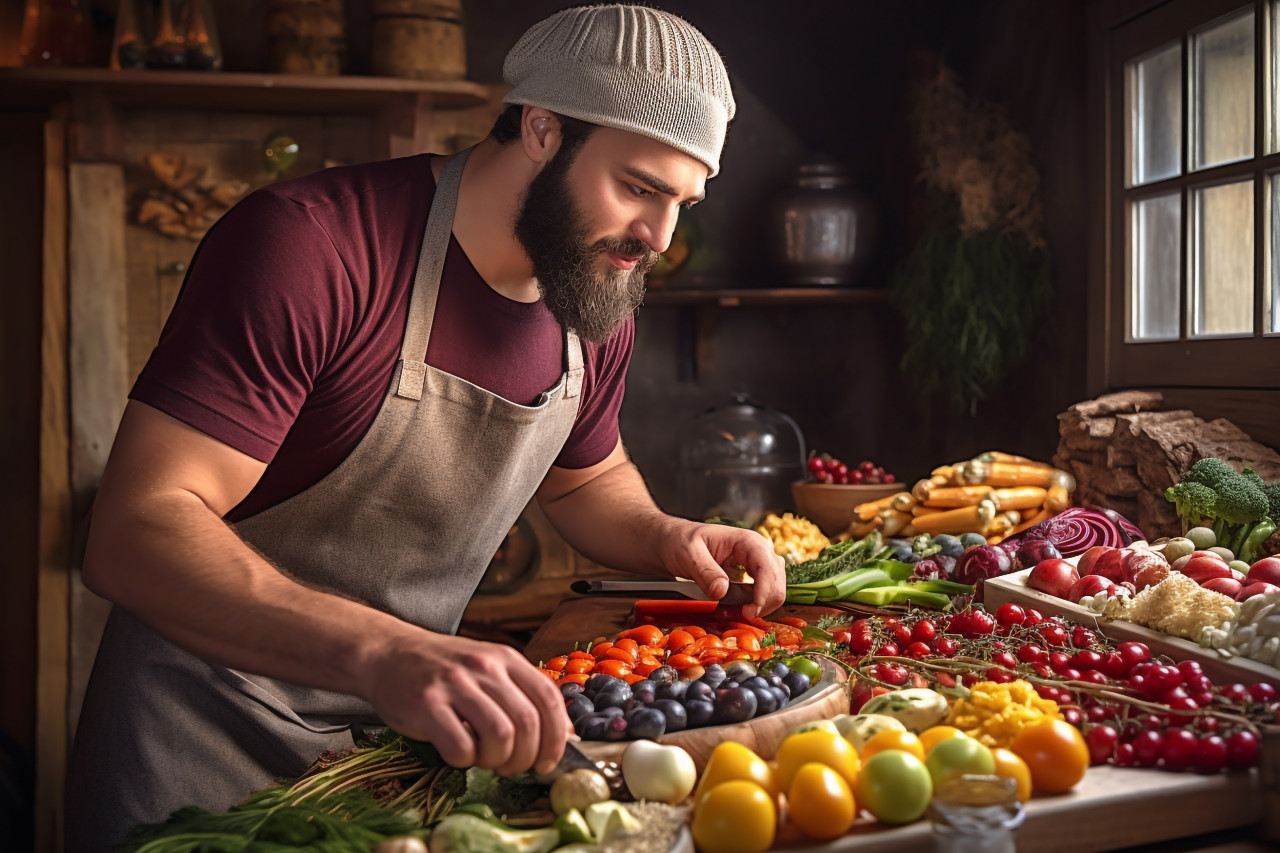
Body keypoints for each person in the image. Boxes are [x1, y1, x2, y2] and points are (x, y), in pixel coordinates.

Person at [65, 4, 784, 848]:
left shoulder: (590, 291)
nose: (656, 237)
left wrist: (669, 536)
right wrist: (384, 652)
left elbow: (587, 477)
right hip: (198, 744)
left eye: (683, 204)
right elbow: (134, 530)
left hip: (394, 756)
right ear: (544, 129)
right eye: (639, 188)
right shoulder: (312, 248)